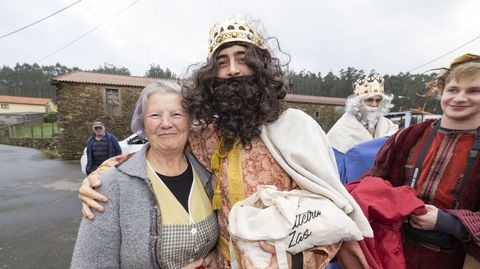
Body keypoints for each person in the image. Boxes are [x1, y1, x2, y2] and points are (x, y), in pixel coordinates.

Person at [78, 15, 373, 269]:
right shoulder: (208, 136)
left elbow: (332, 214)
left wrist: (295, 262)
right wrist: (104, 173)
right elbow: (161, 148)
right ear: (212, 75)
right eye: (222, 62)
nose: (232, 69)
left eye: (242, 59)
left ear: (260, 67)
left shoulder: (296, 126)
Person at [71, 81, 219, 269]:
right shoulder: (111, 185)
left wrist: (215, 256)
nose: (166, 124)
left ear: (190, 122)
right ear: (143, 123)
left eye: (176, 114)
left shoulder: (207, 172)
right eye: (155, 115)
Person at [365, 53, 480, 269]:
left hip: (459, 260)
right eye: (453, 90)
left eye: (474, 91)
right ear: (442, 92)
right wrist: (394, 202)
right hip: (395, 253)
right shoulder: (408, 136)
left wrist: (450, 223)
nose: (459, 98)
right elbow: (372, 181)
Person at [326, 74, 398, 183]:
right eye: (369, 100)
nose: (374, 105)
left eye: (378, 100)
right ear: (358, 102)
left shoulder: (389, 126)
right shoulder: (341, 129)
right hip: (352, 187)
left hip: (383, 185)